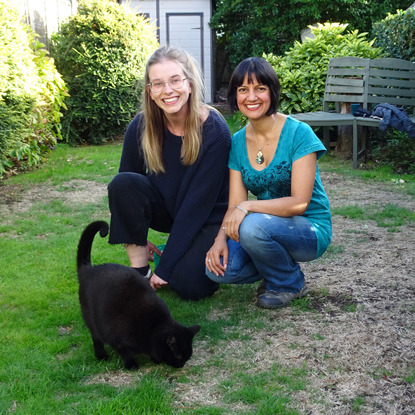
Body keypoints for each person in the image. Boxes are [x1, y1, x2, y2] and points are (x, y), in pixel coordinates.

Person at [205, 57, 332, 309]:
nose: (251, 97)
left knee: (251, 226)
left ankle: (290, 282)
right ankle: (274, 268)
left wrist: (249, 207)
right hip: (264, 226)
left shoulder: (299, 133)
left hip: (309, 228)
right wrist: (219, 240)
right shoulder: (238, 142)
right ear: (235, 96)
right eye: (243, 89)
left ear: (272, 92)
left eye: (259, 88)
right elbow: (235, 204)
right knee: (219, 270)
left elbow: (299, 203)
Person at [108, 45, 231, 300]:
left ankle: (197, 254)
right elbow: (125, 190)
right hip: (168, 210)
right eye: (158, 84)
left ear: (189, 84)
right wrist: (137, 237)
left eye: (175, 80)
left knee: (188, 286)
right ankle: (139, 277)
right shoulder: (141, 127)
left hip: (208, 216)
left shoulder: (215, 131)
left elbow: (196, 208)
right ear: (150, 92)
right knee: (122, 182)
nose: (168, 90)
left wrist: (165, 269)